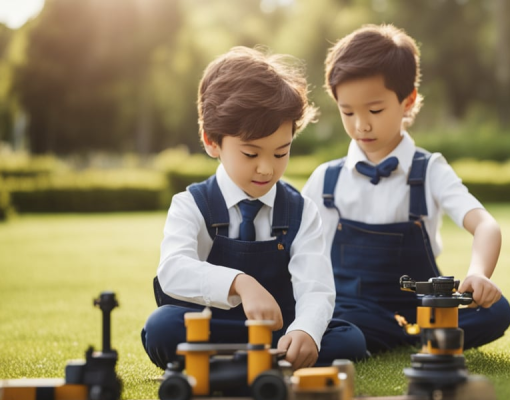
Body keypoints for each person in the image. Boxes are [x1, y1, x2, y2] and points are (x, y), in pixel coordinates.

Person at [142, 46, 367, 370]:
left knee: (348, 338)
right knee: (162, 326)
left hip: (279, 334)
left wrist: (305, 331)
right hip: (211, 329)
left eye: (280, 153)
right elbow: (173, 270)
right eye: (251, 154)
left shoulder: (301, 211)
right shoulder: (191, 204)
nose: (266, 169)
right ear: (211, 141)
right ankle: (267, 366)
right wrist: (240, 284)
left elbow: (315, 287)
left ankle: (233, 367)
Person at [301, 24, 510, 354]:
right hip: (353, 309)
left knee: (496, 311)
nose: (361, 125)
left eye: (375, 110)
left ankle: (406, 334)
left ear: (408, 100)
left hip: (425, 306)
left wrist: (478, 274)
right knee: (343, 329)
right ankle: (416, 338)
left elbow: (485, 224)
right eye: (347, 112)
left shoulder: (430, 170)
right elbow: (296, 248)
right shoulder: (325, 178)